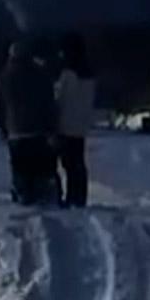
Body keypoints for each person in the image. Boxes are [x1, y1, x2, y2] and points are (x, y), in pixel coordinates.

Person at [0, 40, 59, 205]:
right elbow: (49, 102)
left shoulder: (4, 77)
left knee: (20, 166)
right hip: (38, 131)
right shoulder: (41, 74)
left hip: (15, 131)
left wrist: (1, 126)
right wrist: (51, 126)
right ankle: (41, 195)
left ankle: (23, 195)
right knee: (38, 165)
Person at [53, 32, 97, 208]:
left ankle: (71, 197)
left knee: (68, 163)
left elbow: (61, 100)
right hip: (80, 126)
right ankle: (79, 197)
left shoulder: (68, 74)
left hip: (66, 125)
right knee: (77, 163)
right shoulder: (89, 74)